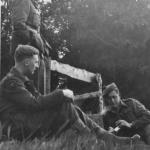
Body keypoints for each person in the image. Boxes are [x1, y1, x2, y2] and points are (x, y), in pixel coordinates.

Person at [0, 45, 140, 144]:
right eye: (35, 62)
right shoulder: (11, 82)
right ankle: (96, 142)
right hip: (15, 128)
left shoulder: (20, 80)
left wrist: (61, 96)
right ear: (26, 62)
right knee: (65, 105)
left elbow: (38, 100)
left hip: (25, 121)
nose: (37, 66)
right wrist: (61, 93)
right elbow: (34, 104)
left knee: (67, 105)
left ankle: (110, 139)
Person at [10, 0, 51, 94]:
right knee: (25, 88)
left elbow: (35, 30)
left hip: (33, 51)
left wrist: (42, 44)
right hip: (26, 52)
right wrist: (36, 40)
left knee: (36, 88)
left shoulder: (34, 5)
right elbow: (18, 25)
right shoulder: (24, 1)